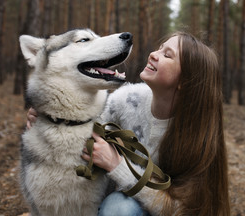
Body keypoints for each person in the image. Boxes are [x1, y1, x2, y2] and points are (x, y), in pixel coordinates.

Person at [27, 32, 230, 216]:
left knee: (120, 207)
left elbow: (181, 209)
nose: (153, 54)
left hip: (139, 210)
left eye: (168, 55)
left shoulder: (197, 134)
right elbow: (85, 139)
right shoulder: (126, 100)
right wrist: (53, 121)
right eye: (160, 48)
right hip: (106, 205)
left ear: (184, 81)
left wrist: (117, 166)